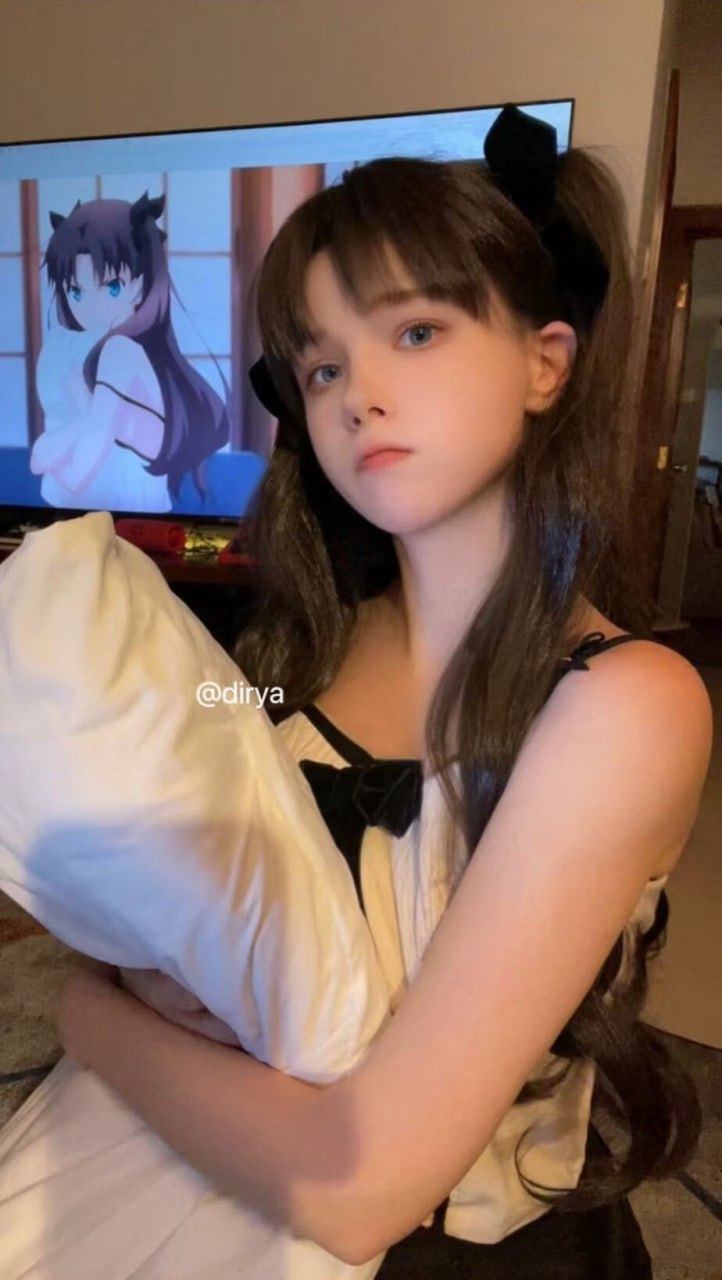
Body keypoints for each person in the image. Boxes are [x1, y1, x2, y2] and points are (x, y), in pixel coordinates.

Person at [56, 105, 713, 1277]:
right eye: (321, 364)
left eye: (414, 331)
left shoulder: (622, 703)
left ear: (544, 361)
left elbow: (361, 1189)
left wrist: (81, 1013)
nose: (357, 392)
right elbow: (186, 827)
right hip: (218, 1213)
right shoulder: (284, 663)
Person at [30, 191, 229, 512]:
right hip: (74, 519)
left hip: (122, 523)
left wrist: (52, 451)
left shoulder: (119, 351)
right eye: (75, 291)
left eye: (111, 287)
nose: (91, 307)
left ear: (140, 284)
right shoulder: (66, 346)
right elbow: (49, 455)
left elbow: (75, 474)